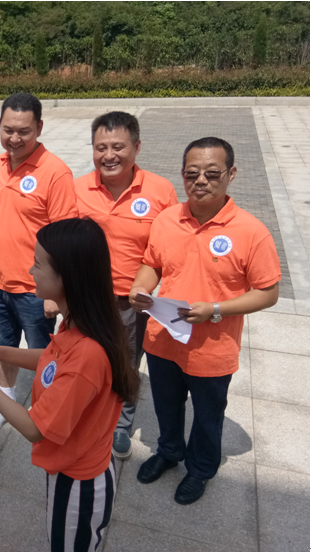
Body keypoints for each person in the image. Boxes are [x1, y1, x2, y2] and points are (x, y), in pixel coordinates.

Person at [0, 218, 140, 552]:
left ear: (66, 276)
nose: (30, 270)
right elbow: (53, 359)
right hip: (74, 463)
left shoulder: (87, 353)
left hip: (80, 484)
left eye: (38, 264)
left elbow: (34, 428)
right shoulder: (81, 322)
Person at [130, 137, 281, 505]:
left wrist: (215, 309)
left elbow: (268, 292)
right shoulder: (167, 219)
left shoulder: (251, 231)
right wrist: (140, 286)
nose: (200, 181)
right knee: (166, 405)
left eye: (212, 174)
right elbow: (152, 263)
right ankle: (169, 451)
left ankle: (200, 468)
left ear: (231, 174)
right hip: (163, 338)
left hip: (213, 349)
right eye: (191, 173)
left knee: (208, 415)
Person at [75, 111, 178, 460]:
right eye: (100, 147)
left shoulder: (160, 191)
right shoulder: (77, 189)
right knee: (86, 360)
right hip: (87, 299)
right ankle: (88, 412)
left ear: (136, 147)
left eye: (118, 147)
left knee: (126, 364)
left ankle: (120, 423)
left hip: (132, 302)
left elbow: (168, 248)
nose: (109, 155)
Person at [0, 92, 78, 435]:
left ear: (39, 127)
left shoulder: (56, 172)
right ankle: (5, 403)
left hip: (36, 291)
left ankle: (44, 409)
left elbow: (64, 240)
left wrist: (55, 294)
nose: (14, 138)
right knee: (3, 350)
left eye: (23, 131)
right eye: (8, 130)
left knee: (43, 355)